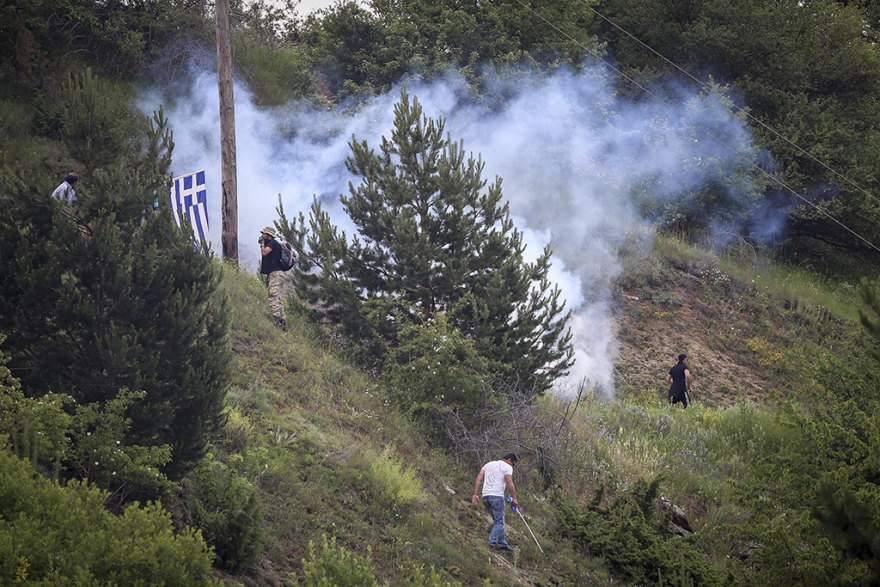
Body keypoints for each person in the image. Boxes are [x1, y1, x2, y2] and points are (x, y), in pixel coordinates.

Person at [472, 453, 519, 551]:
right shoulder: (507, 467)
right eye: (513, 464)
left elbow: (478, 478)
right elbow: (509, 482)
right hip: (497, 496)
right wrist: (514, 498)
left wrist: (475, 494)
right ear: (509, 460)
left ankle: (503, 544)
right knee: (500, 522)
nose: (512, 466)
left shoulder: (488, 464)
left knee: (498, 521)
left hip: (485, 496)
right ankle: (491, 543)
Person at [259, 226, 286, 330]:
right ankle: (283, 324)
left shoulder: (272, 243)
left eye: (264, 234)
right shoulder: (274, 244)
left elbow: (264, 252)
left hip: (275, 274)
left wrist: (262, 244)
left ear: (269, 235)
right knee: (277, 298)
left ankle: (277, 322)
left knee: (273, 297)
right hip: (277, 274)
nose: (262, 235)